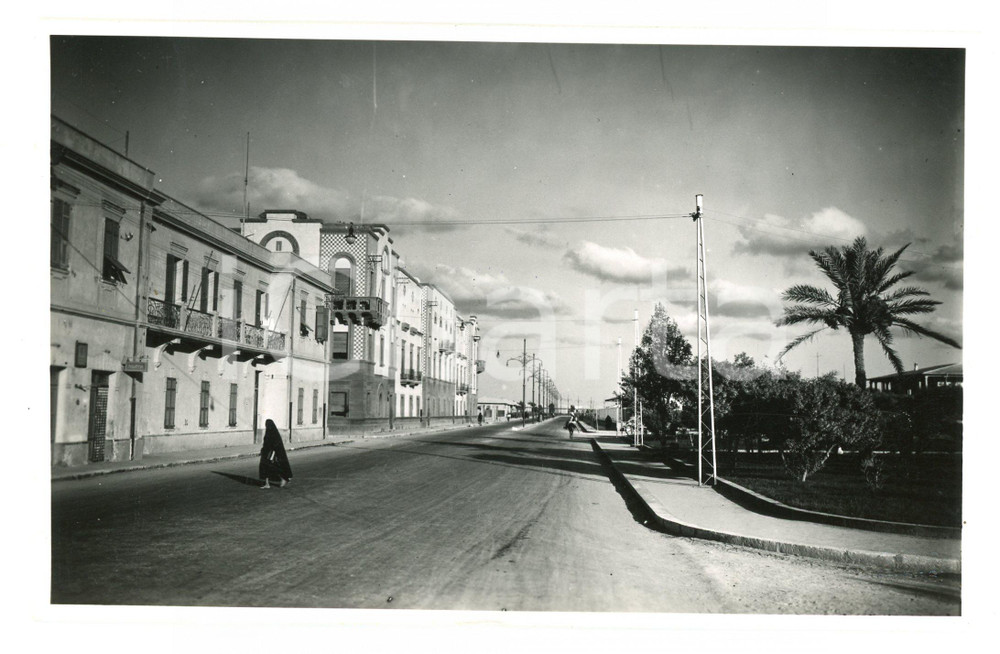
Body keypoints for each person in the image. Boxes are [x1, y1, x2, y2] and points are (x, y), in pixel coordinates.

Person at [259, 419, 293, 489]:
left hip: (271, 454)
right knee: (266, 467)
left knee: (270, 467)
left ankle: (283, 478)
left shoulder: (272, 434)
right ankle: (268, 483)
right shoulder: (271, 432)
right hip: (267, 453)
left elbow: (273, 445)